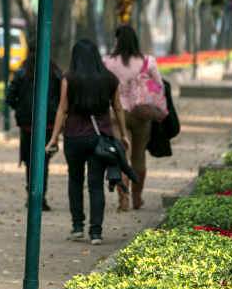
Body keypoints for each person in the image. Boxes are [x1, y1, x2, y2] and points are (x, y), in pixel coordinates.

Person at [45, 40, 130, 245]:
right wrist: (123, 134)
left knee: (75, 180)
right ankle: (96, 232)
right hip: (100, 137)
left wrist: (54, 138)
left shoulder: (69, 78)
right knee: (95, 185)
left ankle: (77, 227)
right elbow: (118, 107)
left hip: (74, 137)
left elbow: (63, 109)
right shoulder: (109, 79)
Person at [102, 24, 166, 210]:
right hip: (141, 114)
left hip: (116, 114)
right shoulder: (148, 62)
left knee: (121, 157)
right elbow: (159, 86)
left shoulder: (108, 62)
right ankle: (138, 197)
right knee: (138, 157)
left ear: (117, 41)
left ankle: (124, 199)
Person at [5, 51, 62, 210]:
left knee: (30, 161)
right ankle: (40, 196)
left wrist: (21, 109)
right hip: (48, 124)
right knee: (43, 161)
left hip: (27, 124)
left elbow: (10, 96)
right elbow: (62, 97)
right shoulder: (54, 72)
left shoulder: (22, 72)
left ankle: (32, 195)